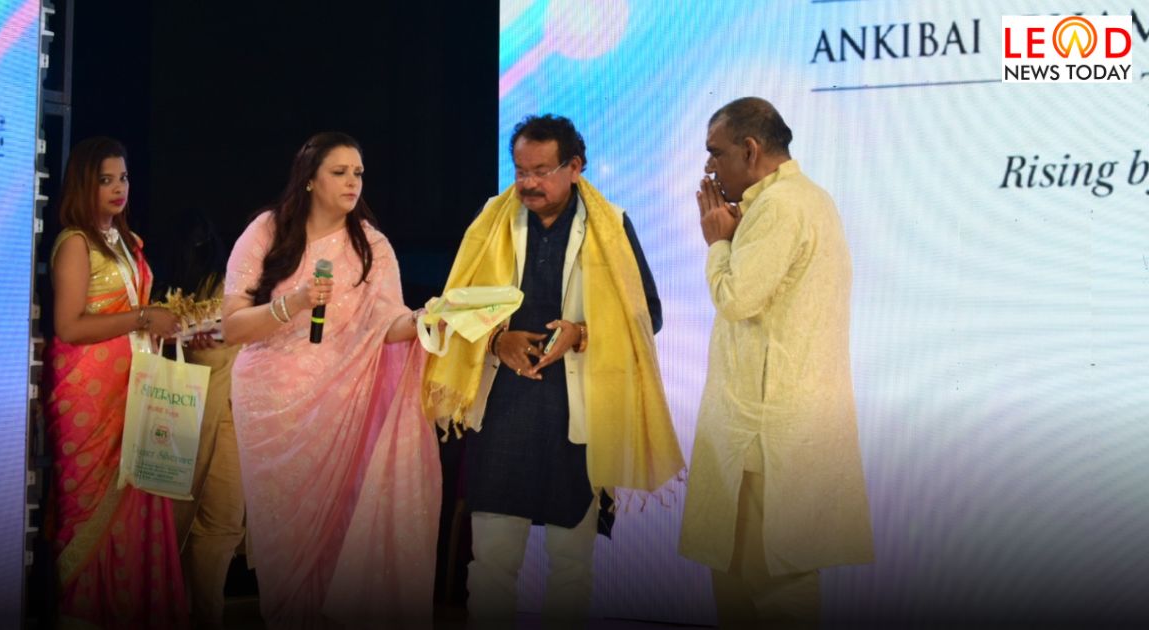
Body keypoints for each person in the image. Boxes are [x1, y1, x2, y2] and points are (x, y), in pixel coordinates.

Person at [423, 114, 684, 624]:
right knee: (492, 560)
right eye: (520, 171)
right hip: (503, 408)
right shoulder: (491, 220)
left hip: (575, 411)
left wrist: (582, 333)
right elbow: (452, 307)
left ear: (575, 167)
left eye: (541, 171)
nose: (528, 184)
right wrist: (496, 339)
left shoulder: (611, 224)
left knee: (571, 564)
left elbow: (647, 316)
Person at [221, 132, 441, 628]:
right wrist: (294, 302)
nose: (352, 182)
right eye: (339, 172)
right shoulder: (267, 230)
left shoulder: (373, 245)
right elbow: (232, 327)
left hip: (347, 404)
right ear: (309, 180)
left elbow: (389, 325)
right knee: (286, 549)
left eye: (358, 173)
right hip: (273, 407)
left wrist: (428, 320)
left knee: (346, 531)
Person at [679, 97, 874, 625]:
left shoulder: (781, 206)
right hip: (771, 428)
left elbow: (736, 299)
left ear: (750, 149)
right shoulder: (803, 199)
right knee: (749, 579)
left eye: (715, 153)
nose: (709, 168)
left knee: (769, 586)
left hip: (764, 436)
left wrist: (718, 242)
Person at [43, 136, 187, 627]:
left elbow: (134, 313)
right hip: (90, 397)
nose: (118, 187)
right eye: (105, 180)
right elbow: (68, 327)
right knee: (91, 510)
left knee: (138, 502)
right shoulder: (75, 243)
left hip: (134, 390)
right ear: (85, 184)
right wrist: (144, 317)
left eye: (123, 178)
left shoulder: (126, 241)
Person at [156, 209, 245, 629]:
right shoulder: (164, 293)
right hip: (181, 417)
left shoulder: (228, 288)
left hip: (220, 417)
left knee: (219, 524)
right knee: (188, 526)